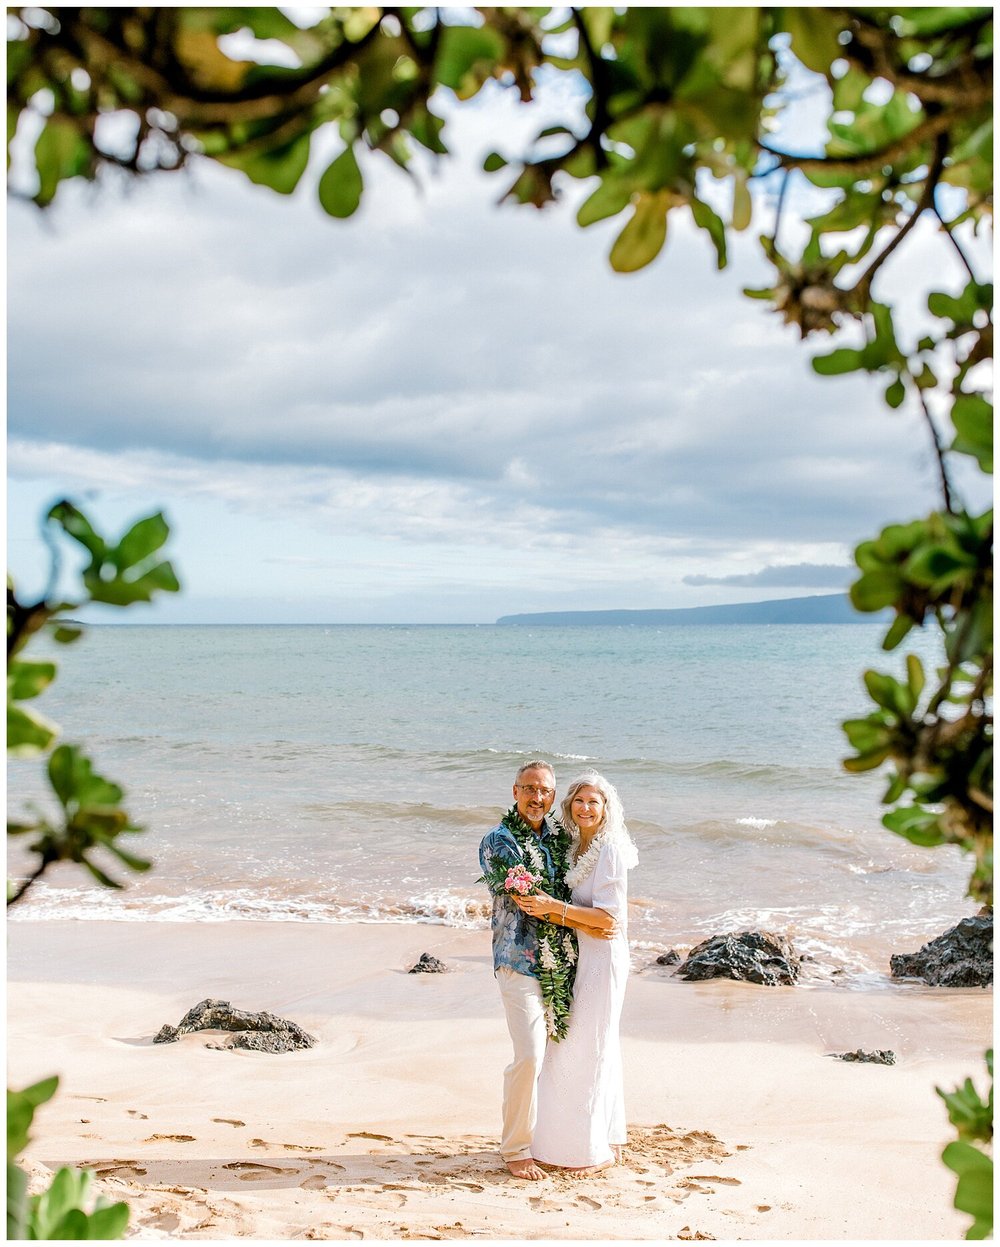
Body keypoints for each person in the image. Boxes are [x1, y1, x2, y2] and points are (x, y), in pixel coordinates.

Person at [479, 761, 614, 1181]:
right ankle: (516, 1148)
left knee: (559, 1054)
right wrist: (584, 917)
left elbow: (578, 875)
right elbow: (531, 899)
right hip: (518, 959)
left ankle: (555, 1139)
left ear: (554, 798)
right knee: (530, 1054)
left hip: (563, 963)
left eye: (546, 792)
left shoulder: (559, 838)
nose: (538, 798)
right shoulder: (498, 841)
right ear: (515, 791)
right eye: (530, 789)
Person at [513, 771, 638, 1172]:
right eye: (579, 801)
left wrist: (554, 908)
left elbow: (607, 921)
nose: (586, 808)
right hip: (581, 955)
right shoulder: (574, 849)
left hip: (604, 957)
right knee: (588, 1044)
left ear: (606, 809)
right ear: (569, 805)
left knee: (586, 1046)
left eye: (594, 802)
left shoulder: (611, 852)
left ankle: (586, 1151)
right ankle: (607, 1135)